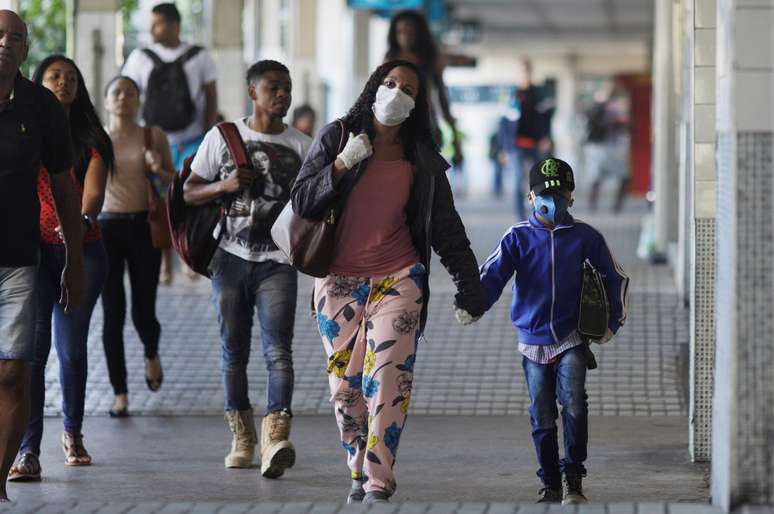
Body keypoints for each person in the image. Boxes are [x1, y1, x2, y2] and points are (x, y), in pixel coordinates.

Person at [291, 60, 488, 504]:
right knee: (345, 389)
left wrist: (468, 284)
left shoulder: (421, 158)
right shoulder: (337, 136)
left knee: (388, 380)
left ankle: (379, 478)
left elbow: (446, 228)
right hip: (338, 281)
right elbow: (302, 199)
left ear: (417, 104)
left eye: (409, 89)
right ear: (374, 87)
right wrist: (341, 165)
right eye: (390, 83)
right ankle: (357, 463)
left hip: (399, 278)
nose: (397, 92)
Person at [460, 157, 629, 505]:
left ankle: (573, 477)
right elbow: (491, 275)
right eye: (544, 195)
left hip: (572, 337)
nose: (553, 201)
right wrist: (472, 305)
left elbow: (617, 277)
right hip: (532, 341)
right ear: (530, 197)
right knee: (541, 413)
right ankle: (549, 481)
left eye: (561, 194)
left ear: (572, 196)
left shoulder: (585, 237)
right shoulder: (517, 238)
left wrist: (612, 322)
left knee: (575, 404)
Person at [183, 60, 311, 479]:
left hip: (279, 262)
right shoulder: (222, 137)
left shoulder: (303, 146)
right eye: (274, 87)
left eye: (287, 88)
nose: (283, 94)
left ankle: (276, 436)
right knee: (233, 351)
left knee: (279, 350)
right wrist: (224, 186)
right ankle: (242, 437)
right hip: (231, 257)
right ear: (252, 91)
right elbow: (189, 191)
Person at [7, 55, 114, 482]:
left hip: (82, 252)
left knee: (70, 350)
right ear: (39, 82)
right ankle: (27, 449)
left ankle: (72, 433)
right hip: (30, 254)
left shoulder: (91, 137)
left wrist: (80, 221)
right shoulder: (23, 129)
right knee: (32, 353)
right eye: (54, 76)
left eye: (71, 78)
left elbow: (93, 193)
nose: (63, 83)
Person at [0, 10, 86, 502]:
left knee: (15, 371)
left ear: (26, 50)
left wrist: (73, 260)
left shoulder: (41, 108)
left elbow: (65, 189)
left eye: (15, 38)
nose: (5, 43)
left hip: (19, 261)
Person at [101, 75, 175, 418]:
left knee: (143, 309)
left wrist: (157, 168)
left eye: (129, 93)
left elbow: (174, 181)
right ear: (106, 101)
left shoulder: (152, 135)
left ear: (138, 100)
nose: (123, 98)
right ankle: (120, 393)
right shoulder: (97, 138)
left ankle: (151, 353)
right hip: (105, 229)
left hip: (143, 227)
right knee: (112, 313)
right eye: (116, 93)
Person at [384, 10, 471, 165]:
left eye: (410, 31)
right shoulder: (389, 60)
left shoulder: (429, 59)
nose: (405, 35)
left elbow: (442, 97)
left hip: (425, 123)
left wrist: (456, 141)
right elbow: (376, 94)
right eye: (401, 31)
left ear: (419, 34)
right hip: (395, 125)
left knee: (424, 177)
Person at [512, 57, 552, 218]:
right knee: (517, 181)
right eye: (522, 69)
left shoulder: (538, 93)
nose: (525, 72)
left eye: (527, 69)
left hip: (536, 144)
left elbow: (546, 117)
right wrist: (503, 147)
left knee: (537, 181)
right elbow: (505, 122)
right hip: (516, 145)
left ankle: (536, 212)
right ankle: (520, 217)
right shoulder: (512, 94)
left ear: (531, 71)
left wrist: (546, 137)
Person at [585, 80, 630, 212]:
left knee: (623, 177)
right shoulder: (598, 106)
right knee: (596, 177)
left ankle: (616, 206)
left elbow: (623, 124)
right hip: (598, 147)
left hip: (612, 146)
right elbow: (591, 119)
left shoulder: (617, 106)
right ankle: (592, 205)